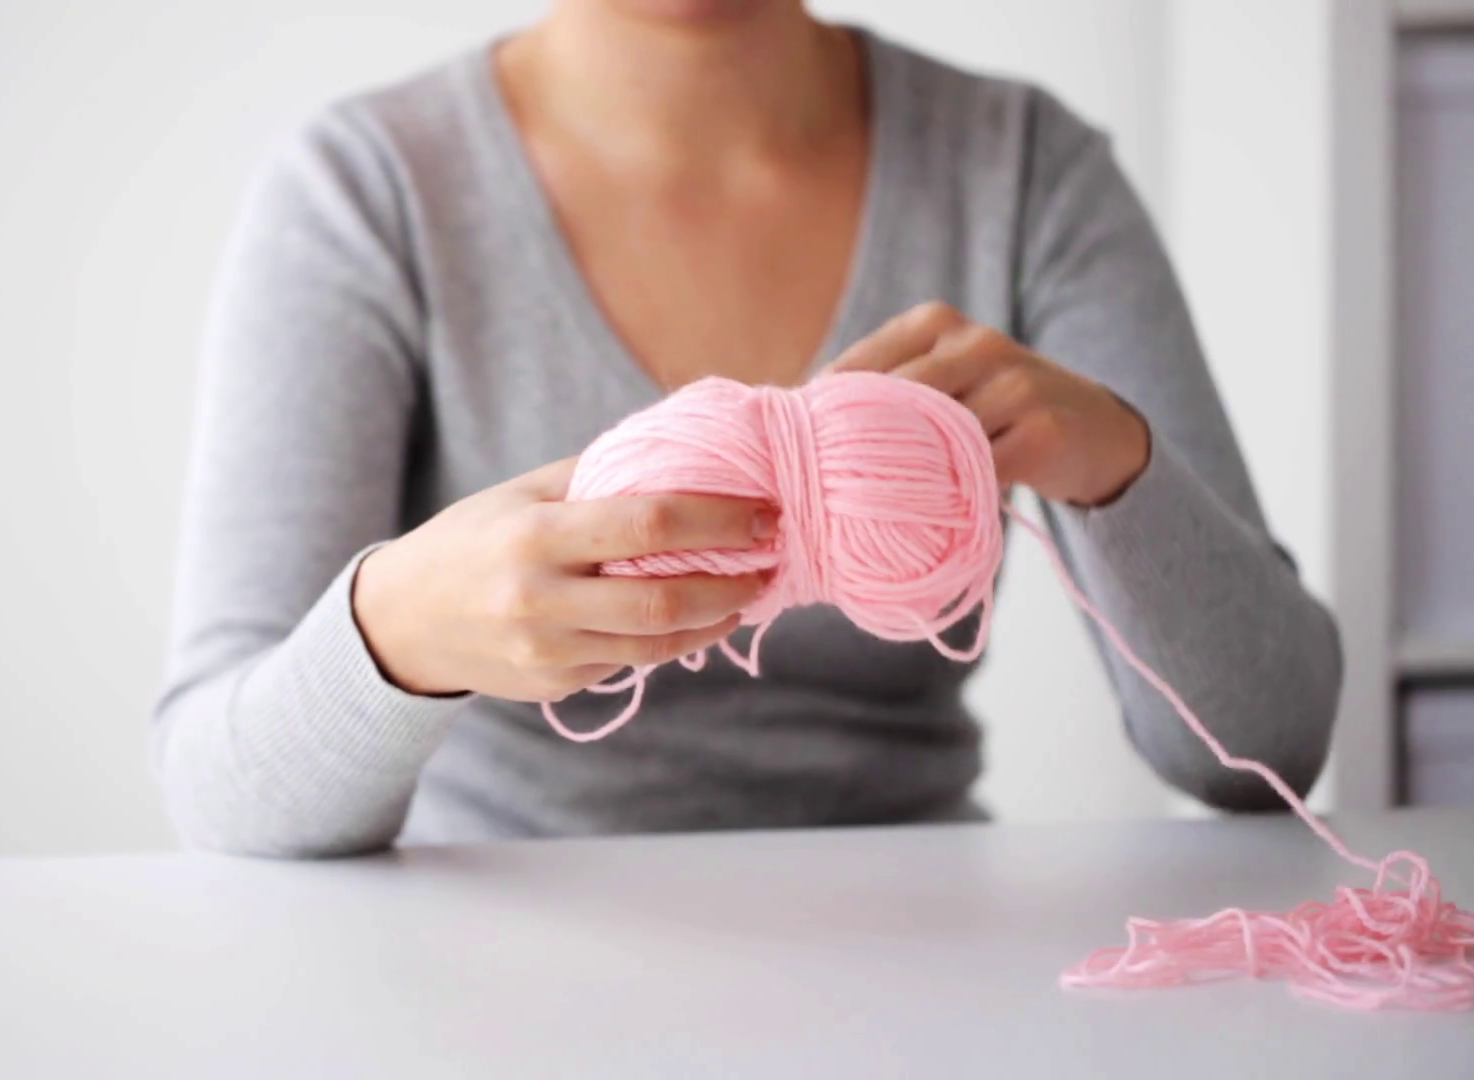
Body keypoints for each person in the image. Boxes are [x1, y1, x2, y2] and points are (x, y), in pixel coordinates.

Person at [152, 0, 1342, 857]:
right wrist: (396, 633)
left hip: (924, 964)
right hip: (493, 971)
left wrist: (1115, 465)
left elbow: (1269, 751)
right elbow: (220, 789)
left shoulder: (1025, 170)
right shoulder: (367, 192)